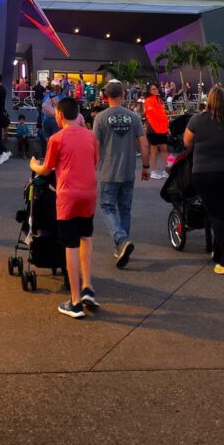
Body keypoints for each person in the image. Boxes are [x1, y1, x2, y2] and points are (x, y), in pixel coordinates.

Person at [30, 97, 100, 318]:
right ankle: (88, 287)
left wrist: (32, 163)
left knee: (70, 244)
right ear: (78, 115)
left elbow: (46, 169)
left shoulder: (56, 138)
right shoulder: (91, 137)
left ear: (59, 115)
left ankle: (75, 301)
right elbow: (94, 161)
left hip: (68, 195)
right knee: (86, 237)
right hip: (89, 194)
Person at [184, 85, 224, 275]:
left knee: (217, 214)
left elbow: (187, 142)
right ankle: (218, 253)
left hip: (205, 172)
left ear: (208, 101)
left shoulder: (197, 120)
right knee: (223, 213)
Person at [93, 80, 150, 268]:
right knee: (125, 209)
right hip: (128, 171)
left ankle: (121, 240)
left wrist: (92, 166)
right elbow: (144, 143)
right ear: (122, 95)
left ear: (106, 96)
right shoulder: (133, 117)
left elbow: (94, 145)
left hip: (108, 171)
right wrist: (146, 166)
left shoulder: (100, 118)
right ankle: (121, 246)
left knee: (108, 208)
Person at [143, 83, 170, 178]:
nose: (156, 90)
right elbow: (152, 115)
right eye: (153, 89)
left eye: (156, 89)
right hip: (153, 128)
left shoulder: (159, 100)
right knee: (154, 150)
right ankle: (154, 171)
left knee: (164, 149)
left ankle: (165, 170)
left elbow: (163, 115)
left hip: (162, 128)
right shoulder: (148, 100)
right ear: (149, 91)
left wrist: (167, 127)